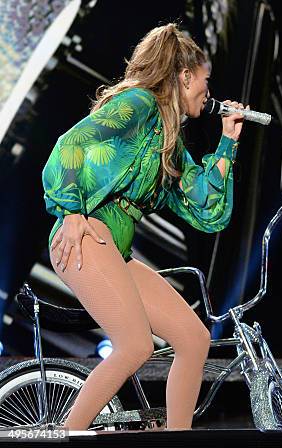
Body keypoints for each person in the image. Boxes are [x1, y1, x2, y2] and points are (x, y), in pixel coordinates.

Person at [42, 23, 247, 430]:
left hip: (114, 249)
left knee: (193, 338)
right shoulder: (139, 104)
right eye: (205, 81)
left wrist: (228, 142)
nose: (209, 92)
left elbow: (203, 204)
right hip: (86, 236)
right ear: (185, 76)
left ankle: (176, 437)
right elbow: (70, 145)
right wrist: (69, 213)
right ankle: (68, 435)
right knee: (134, 345)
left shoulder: (167, 136)